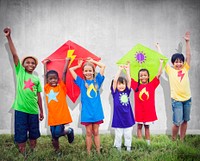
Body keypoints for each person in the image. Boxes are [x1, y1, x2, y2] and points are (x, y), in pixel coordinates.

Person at [3, 27, 44, 155]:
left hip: (33, 110)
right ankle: (23, 153)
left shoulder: (36, 79)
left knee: (33, 132)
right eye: (28, 62)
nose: (31, 64)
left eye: (33, 63)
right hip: (21, 109)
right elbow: (14, 55)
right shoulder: (20, 72)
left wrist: (41, 111)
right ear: (23, 64)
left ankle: (32, 151)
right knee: (21, 133)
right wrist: (9, 37)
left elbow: (39, 96)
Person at [155, 32, 192, 141]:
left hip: (187, 99)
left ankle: (182, 139)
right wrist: (158, 47)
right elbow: (163, 58)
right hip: (177, 100)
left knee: (185, 120)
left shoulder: (185, 69)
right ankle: (174, 139)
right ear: (173, 63)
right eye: (176, 62)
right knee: (177, 123)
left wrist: (187, 42)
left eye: (180, 62)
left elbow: (188, 55)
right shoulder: (170, 71)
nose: (179, 64)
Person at [69, 57, 106, 155]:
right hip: (86, 112)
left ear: (93, 72)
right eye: (86, 71)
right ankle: (88, 152)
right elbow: (71, 70)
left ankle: (98, 151)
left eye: (90, 71)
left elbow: (103, 66)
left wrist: (92, 61)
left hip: (97, 111)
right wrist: (78, 65)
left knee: (96, 132)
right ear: (83, 72)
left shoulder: (97, 81)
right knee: (89, 133)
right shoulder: (81, 82)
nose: (88, 72)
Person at [43, 58, 74, 154]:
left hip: (61, 116)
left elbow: (64, 73)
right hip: (52, 117)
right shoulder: (47, 88)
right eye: (50, 78)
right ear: (48, 80)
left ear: (58, 79)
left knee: (57, 133)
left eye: (55, 78)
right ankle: (57, 151)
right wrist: (44, 64)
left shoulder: (61, 87)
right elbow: (45, 75)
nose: (53, 80)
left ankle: (69, 131)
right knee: (54, 137)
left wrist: (67, 62)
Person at [131, 59, 163, 145]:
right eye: (141, 76)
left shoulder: (151, 85)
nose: (143, 77)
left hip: (148, 111)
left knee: (147, 127)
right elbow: (129, 78)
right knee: (139, 126)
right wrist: (127, 68)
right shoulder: (136, 86)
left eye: (145, 75)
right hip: (139, 111)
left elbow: (159, 74)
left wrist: (161, 63)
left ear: (148, 76)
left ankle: (148, 142)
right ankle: (140, 142)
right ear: (139, 77)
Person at [111, 63, 135, 151]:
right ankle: (118, 148)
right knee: (118, 134)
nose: (121, 86)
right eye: (119, 84)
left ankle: (128, 147)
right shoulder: (115, 93)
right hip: (118, 117)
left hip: (127, 117)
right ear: (116, 86)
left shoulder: (127, 92)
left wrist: (127, 70)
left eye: (123, 84)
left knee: (128, 134)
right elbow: (114, 81)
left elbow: (129, 81)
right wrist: (120, 70)